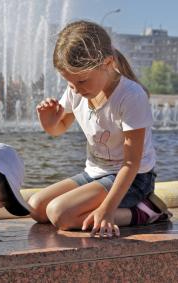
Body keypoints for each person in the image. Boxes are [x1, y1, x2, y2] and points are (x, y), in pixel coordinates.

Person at [29, 20, 172, 238]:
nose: (76, 89)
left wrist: (107, 210)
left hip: (134, 179)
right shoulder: (78, 90)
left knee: (60, 215)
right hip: (96, 173)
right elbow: (57, 129)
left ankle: (144, 212)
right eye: (70, 84)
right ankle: (105, 206)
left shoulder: (130, 96)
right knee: (37, 207)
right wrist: (47, 121)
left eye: (82, 81)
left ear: (107, 63)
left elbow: (131, 164)